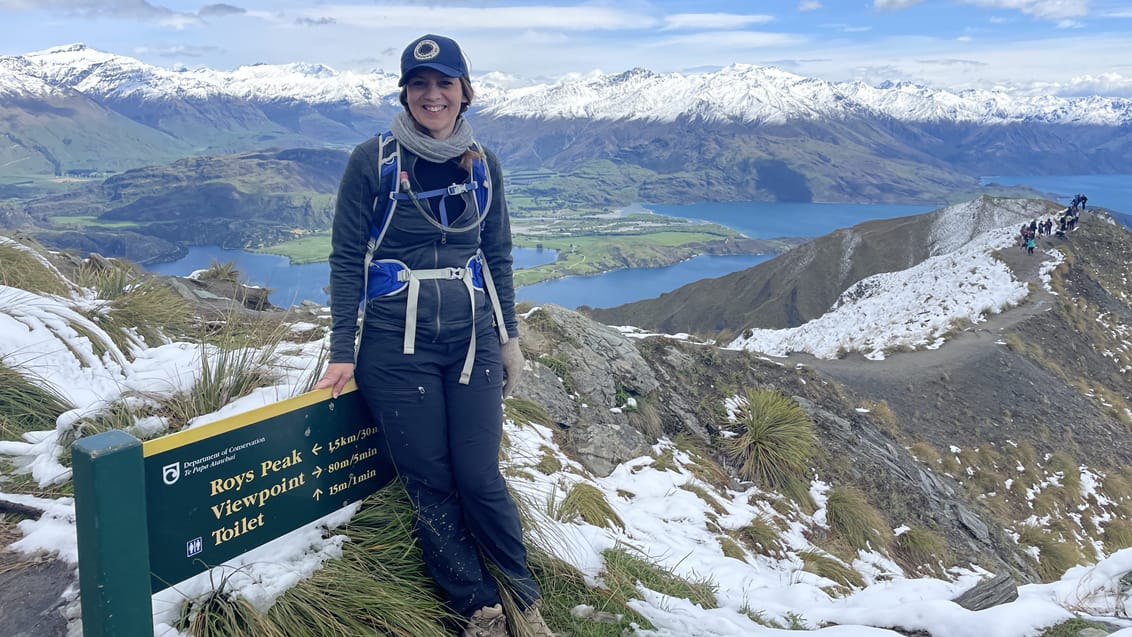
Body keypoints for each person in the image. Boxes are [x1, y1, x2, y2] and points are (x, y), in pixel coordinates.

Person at [316, 34, 554, 637]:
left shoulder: (485, 164)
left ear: (464, 92)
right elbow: (347, 259)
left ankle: (522, 598)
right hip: (396, 349)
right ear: (405, 91)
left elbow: (496, 257)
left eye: (444, 83)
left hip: (471, 338)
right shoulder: (372, 160)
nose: (432, 94)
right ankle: (476, 606)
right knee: (431, 479)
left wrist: (510, 337)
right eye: (419, 83)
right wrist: (342, 352)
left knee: (480, 476)